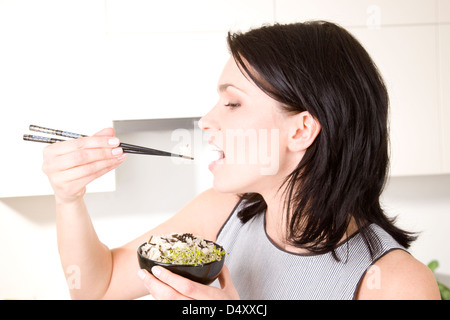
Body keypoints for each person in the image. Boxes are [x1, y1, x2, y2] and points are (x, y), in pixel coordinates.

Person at [42, 21, 440, 300]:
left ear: (301, 130)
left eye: (232, 103)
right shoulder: (226, 213)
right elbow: (97, 288)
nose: (207, 120)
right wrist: (68, 198)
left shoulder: (394, 283)